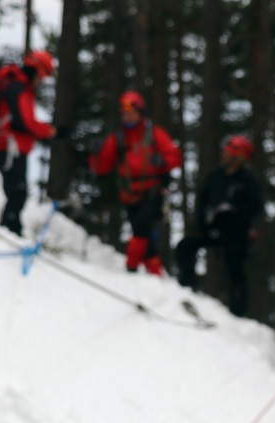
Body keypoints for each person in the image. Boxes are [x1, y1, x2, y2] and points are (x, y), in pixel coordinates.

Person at [88, 91, 182, 275]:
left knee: (141, 229)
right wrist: (95, 154)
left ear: (140, 112)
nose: (128, 116)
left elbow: (174, 156)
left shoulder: (154, 134)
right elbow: (102, 168)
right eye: (124, 113)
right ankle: (155, 275)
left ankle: (130, 267)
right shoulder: (118, 138)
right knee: (146, 239)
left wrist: (162, 162)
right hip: (129, 197)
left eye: (132, 112)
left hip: (153, 193)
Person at [175, 135, 264, 315]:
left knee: (235, 268)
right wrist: (204, 220)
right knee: (185, 246)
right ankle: (187, 285)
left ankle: (237, 311)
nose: (225, 155)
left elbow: (255, 206)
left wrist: (234, 212)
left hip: (235, 232)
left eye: (230, 152)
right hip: (211, 227)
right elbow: (203, 199)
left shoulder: (248, 180)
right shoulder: (216, 176)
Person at [0, 50, 57, 235]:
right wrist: (48, 131)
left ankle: (11, 228)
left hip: (12, 146)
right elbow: (25, 121)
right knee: (17, 192)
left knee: (16, 191)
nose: (42, 80)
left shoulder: (18, 86)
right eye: (43, 75)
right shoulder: (19, 88)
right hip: (11, 147)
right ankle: (9, 229)